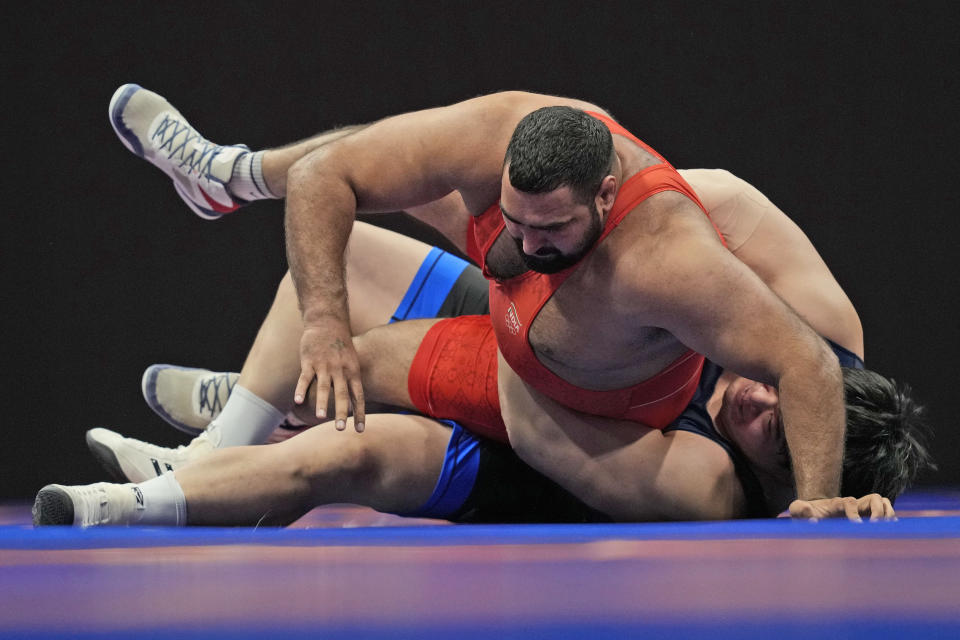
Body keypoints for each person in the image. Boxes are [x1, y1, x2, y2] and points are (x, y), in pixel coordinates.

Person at [103, 85, 859, 517]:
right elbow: (810, 365)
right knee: (392, 181)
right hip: (556, 305)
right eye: (774, 394)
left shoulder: (712, 482)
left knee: (354, 435)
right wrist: (328, 323)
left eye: (770, 428)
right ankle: (231, 176)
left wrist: (823, 501)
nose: (756, 396)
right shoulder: (800, 317)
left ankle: (250, 417)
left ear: (777, 476)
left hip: (543, 397)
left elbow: (541, 439)